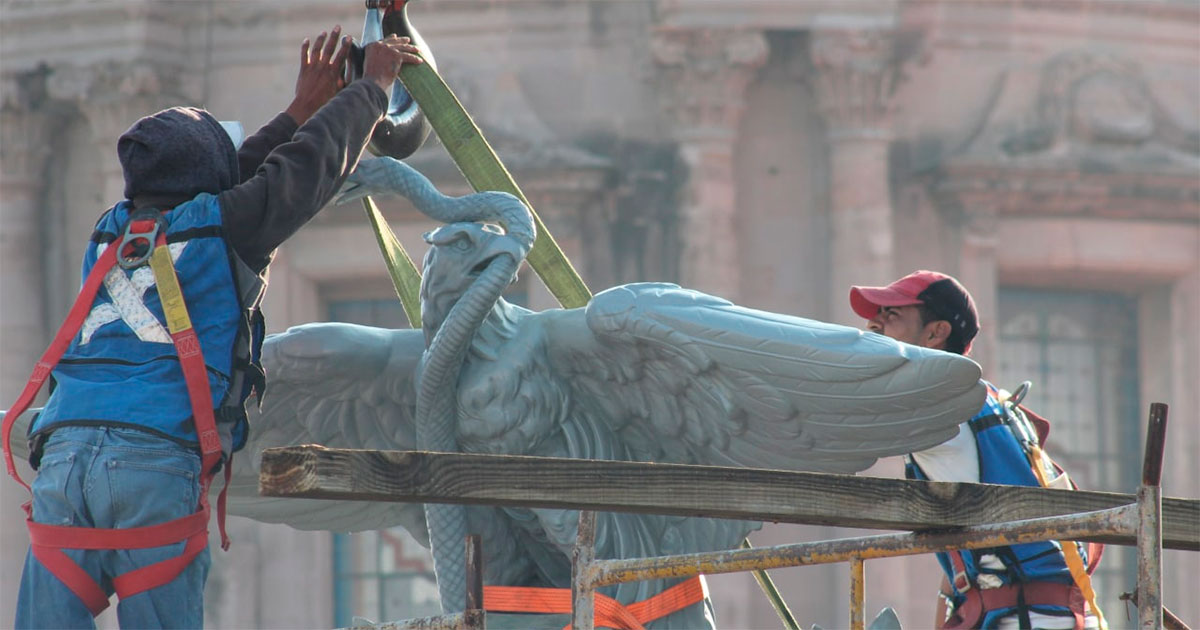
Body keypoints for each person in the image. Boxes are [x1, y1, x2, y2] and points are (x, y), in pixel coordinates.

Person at [4, 25, 422, 629]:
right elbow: (304, 172)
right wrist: (373, 89)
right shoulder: (227, 230)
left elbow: (229, 184)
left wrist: (298, 110)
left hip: (64, 463)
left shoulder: (112, 232)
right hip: (149, 465)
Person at [849, 270, 1103, 630]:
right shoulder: (983, 399)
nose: (873, 324)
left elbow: (842, 424)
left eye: (890, 315)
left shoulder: (939, 404)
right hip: (1043, 612)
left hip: (1030, 619)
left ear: (936, 333)